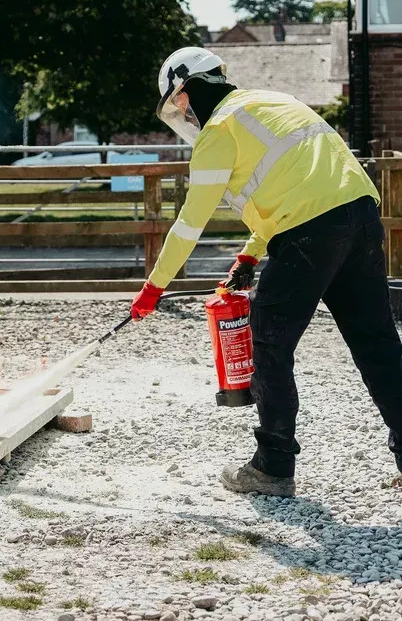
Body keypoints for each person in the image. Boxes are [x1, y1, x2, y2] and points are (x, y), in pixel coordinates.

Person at [130, 46, 402, 497]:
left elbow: (189, 224)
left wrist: (154, 286)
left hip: (308, 234)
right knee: (377, 345)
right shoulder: (275, 102)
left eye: (178, 102)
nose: (183, 113)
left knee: (269, 342)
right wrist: (250, 255)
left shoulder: (219, 129)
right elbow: (296, 183)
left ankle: (273, 467)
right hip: (360, 218)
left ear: (186, 90)